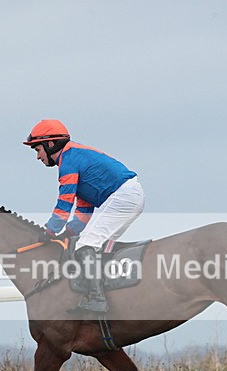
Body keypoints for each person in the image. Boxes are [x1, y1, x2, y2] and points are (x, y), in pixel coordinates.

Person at [23, 119, 145, 314]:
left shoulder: (68, 161)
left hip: (123, 197)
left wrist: (50, 231)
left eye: (38, 150)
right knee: (100, 246)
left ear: (50, 144)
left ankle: (97, 299)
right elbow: (84, 207)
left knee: (85, 245)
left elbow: (64, 202)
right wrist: (70, 231)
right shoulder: (74, 156)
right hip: (129, 196)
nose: (38, 156)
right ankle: (109, 292)